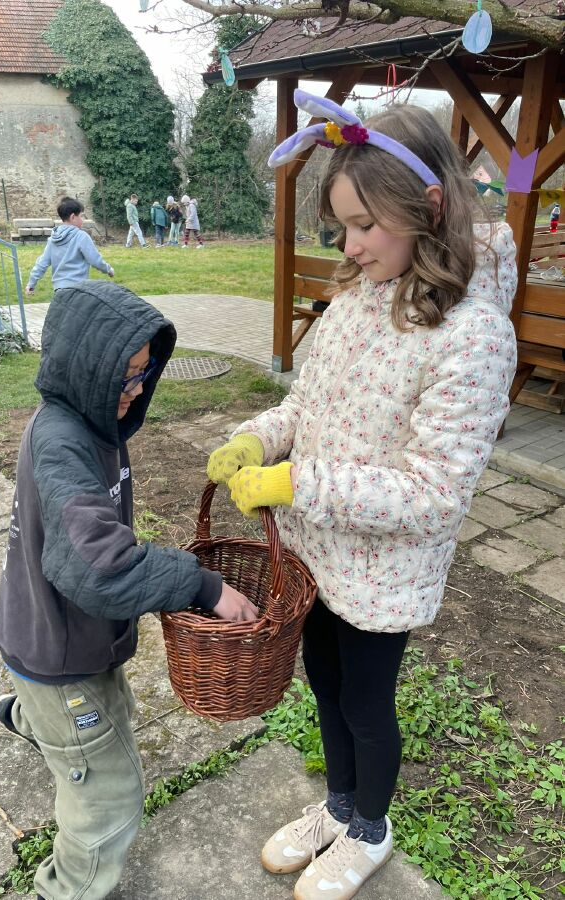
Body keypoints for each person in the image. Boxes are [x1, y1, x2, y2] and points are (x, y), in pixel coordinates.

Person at [208, 90, 517, 900]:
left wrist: (295, 482)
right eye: (340, 226)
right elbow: (305, 404)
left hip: (382, 574)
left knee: (366, 703)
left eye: (363, 224)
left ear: (428, 208)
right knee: (322, 678)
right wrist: (257, 439)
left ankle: (369, 831)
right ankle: (339, 806)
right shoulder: (353, 297)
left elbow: (434, 492)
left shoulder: (473, 336)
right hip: (317, 552)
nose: (348, 244)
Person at [0, 281, 258, 900]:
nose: (137, 389)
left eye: (144, 373)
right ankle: (66, 889)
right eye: (125, 376)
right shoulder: (62, 444)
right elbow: (99, 570)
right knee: (109, 797)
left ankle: (30, 718)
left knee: (117, 712)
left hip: (52, 632)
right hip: (59, 651)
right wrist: (200, 585)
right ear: (85, 368)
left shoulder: (89, 423)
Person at [26, 197, 114, 296]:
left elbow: (41, 264)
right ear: (73, 217)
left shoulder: (52, 240)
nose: (83, 220)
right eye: (81, 216)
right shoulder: (81, 236)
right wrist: (108, 269)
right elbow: (95, 260)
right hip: (78, 290)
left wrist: (31, 283)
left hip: (59, 291)